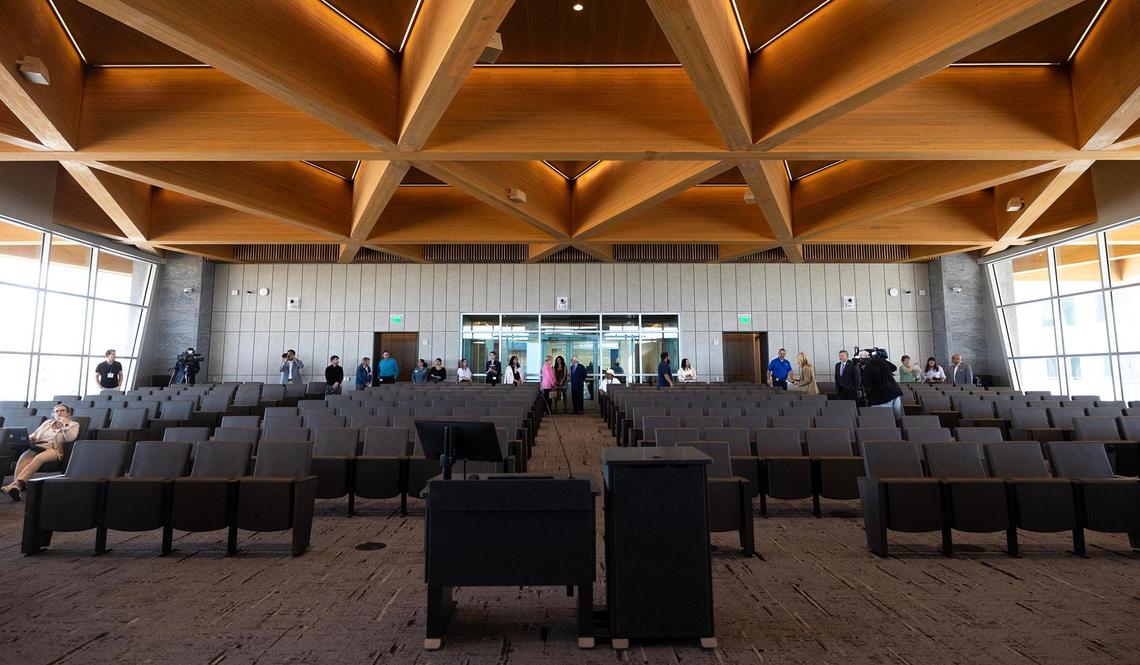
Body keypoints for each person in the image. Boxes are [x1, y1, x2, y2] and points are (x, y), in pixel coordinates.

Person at [2, 404, 80, 501]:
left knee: (39, 458)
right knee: (23, 457)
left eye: (62, 410)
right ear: (53, 414)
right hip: (38, 446)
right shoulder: (47, 423)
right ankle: (17, 488)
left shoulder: (74, 424)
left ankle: (16, 485)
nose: (59, 412)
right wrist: (30, 438)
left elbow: (70, 438)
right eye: (57, 411)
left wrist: (65, 424)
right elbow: (35, 434)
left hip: (53, 449)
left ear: (68, 413)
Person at [860, 351, 903, 417]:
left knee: (884, 420)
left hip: (880, 397)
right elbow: (894, 367)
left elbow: (867, 387)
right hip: (895, 393)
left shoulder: (867, 368)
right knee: (899, 419)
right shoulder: (881, 361)